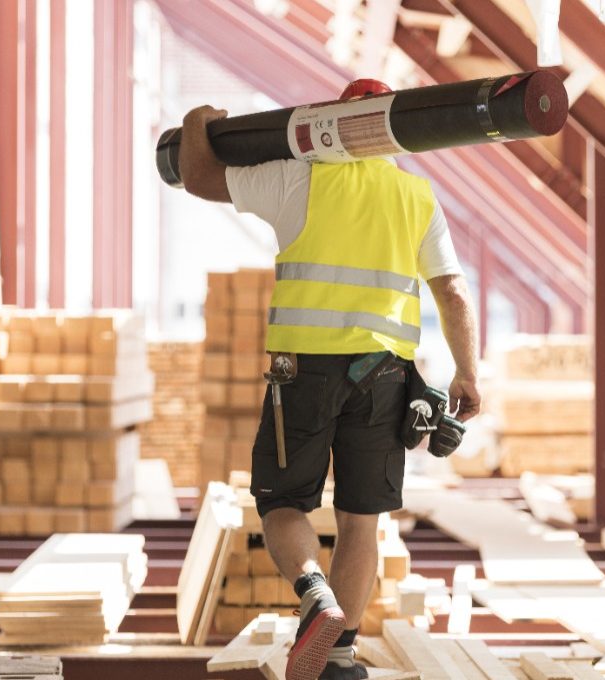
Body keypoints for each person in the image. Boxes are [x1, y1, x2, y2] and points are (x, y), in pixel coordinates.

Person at [179, 78, 481, 680]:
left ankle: (315, 595)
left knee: (284, 501)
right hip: (386, 378)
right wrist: (466, 373)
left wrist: (195, 122)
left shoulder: (301, 176)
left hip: (303, 374)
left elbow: (200, 178)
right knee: (360, 519)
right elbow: (451, 290)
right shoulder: (417, 196)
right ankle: (339, 656)